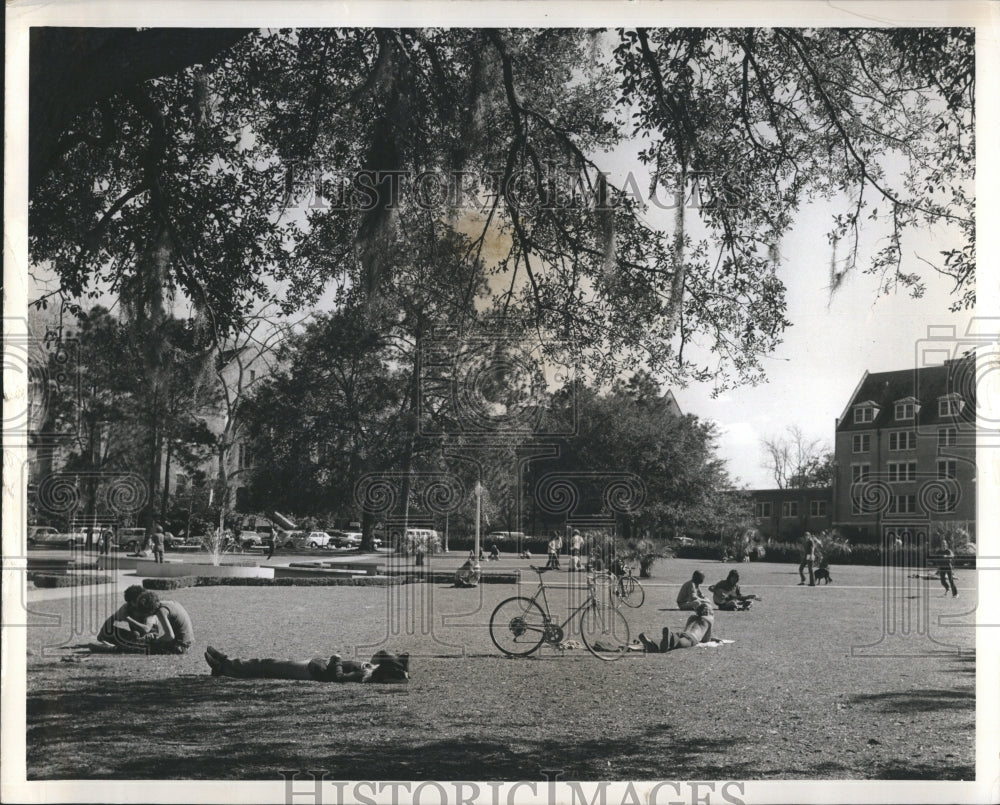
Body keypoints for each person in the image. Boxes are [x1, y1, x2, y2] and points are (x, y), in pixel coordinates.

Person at [204, 646, 409, 683]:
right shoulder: (371, 670)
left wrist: (336, 659)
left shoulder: (365, 675)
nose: (375, 656)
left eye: (380, 656)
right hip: (314, 666)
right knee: (267, 664)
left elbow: (337, 678)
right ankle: (225, 662)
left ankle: (224, 666)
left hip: (312, 671)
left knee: (267, 666)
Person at [638, 602, 722, 652]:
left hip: (683, 633)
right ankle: (669, 639)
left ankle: (652, 643)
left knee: (673, 639)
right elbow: (706, 640)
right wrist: (713, 639)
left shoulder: (692, 617)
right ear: (709, 612)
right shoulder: (709, 619)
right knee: (679, 642)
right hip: (692, 638)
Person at [96, 584, 156, 649]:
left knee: (136, 635)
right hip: (136, 638)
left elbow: (146, 629)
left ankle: (127, 645)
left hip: (151, 638)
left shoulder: (148, 606)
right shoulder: (127, 608)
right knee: (134, 634)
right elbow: (111, 619)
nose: (143, 601)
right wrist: (103, 634)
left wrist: (128, 618)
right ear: (132, 602)